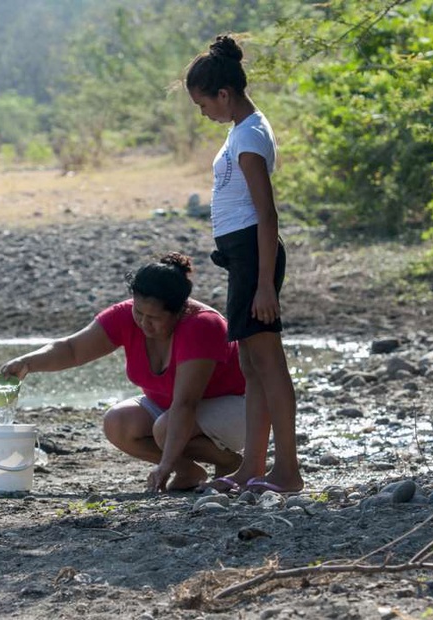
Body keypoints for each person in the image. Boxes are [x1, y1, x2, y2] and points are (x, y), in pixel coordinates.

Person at [0, 252, 246, 492]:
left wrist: (165, 464)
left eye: (154, 317)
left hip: (237, 408)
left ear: (179, 311)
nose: (143, 322)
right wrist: (28, 362)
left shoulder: (202, 326)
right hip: (174, 411)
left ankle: (229, 462)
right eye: (138, 312)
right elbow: (73, 349)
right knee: (118, 422)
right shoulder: (125, 316)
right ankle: (189, 471)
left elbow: (186, 404)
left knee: (165, 428)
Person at [185, 34, 304, 494]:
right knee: (253, 366)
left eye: (204, 104)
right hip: (242, 256)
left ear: (224, 94)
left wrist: (265, 287)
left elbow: (266, 213)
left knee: (269, 364)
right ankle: (253, 465)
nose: (204, 114)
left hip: (256, 256)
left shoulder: (251, 134)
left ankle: (288, 470)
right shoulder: (240, 130)